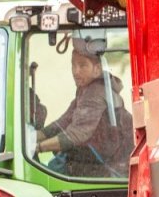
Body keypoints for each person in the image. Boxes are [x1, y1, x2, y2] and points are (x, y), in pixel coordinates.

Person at [35, 37, 132, 177]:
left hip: (116, 168)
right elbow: (63, 122)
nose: (75, 72)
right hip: (104, 162)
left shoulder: (96, 93)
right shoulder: (86, 90)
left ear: (97, 69)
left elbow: (77, 134)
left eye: (82, 66)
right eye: (73, 65)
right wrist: (32, 137)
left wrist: (37, 147)